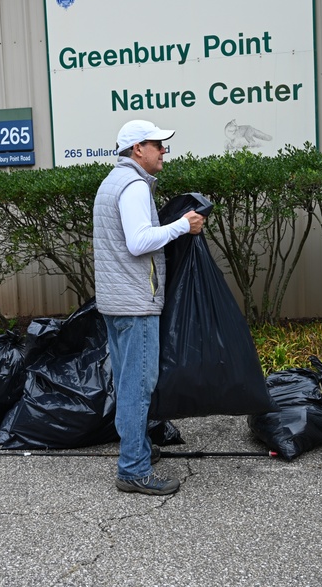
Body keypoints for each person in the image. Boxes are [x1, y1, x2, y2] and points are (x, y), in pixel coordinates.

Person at [93, 119, 205, 495]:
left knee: (128, 384)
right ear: (138, 149)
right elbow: (139, 242)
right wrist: (182, 225)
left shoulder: (112, 182)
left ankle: (137, 450)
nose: (163, 151)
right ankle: (134, 470)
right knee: (138, 388)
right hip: (135, 304)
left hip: (116, 301)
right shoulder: (134, 186)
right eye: (158, 144)